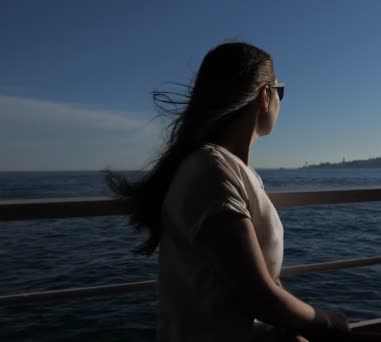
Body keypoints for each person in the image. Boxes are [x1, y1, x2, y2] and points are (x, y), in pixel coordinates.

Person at [105, 42, 350, 341]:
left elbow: (256, 289)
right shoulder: (211, 172)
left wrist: (287, 329)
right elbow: (257, 294)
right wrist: (326, 322)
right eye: (280, 92)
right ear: (265, 96)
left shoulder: (232, 171)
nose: (280, 102)